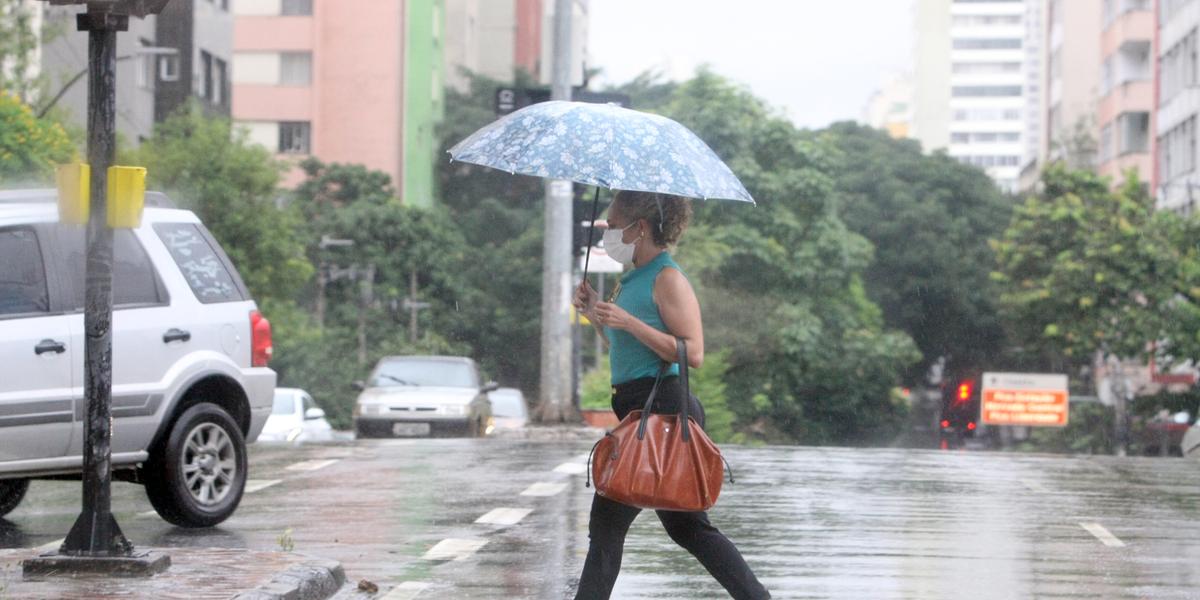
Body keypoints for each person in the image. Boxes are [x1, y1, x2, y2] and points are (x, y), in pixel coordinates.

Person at [572, 190, 771, 600]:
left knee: (608, 527)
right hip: (638, 410)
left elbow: (692, 351)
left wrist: (629, 322)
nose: (608, 233)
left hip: (661, 412)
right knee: (689, 530)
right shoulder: (632, 279)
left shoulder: (667, 278)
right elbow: (622, 346)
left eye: (612, 224)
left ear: (639, 228)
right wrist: (595, 312)